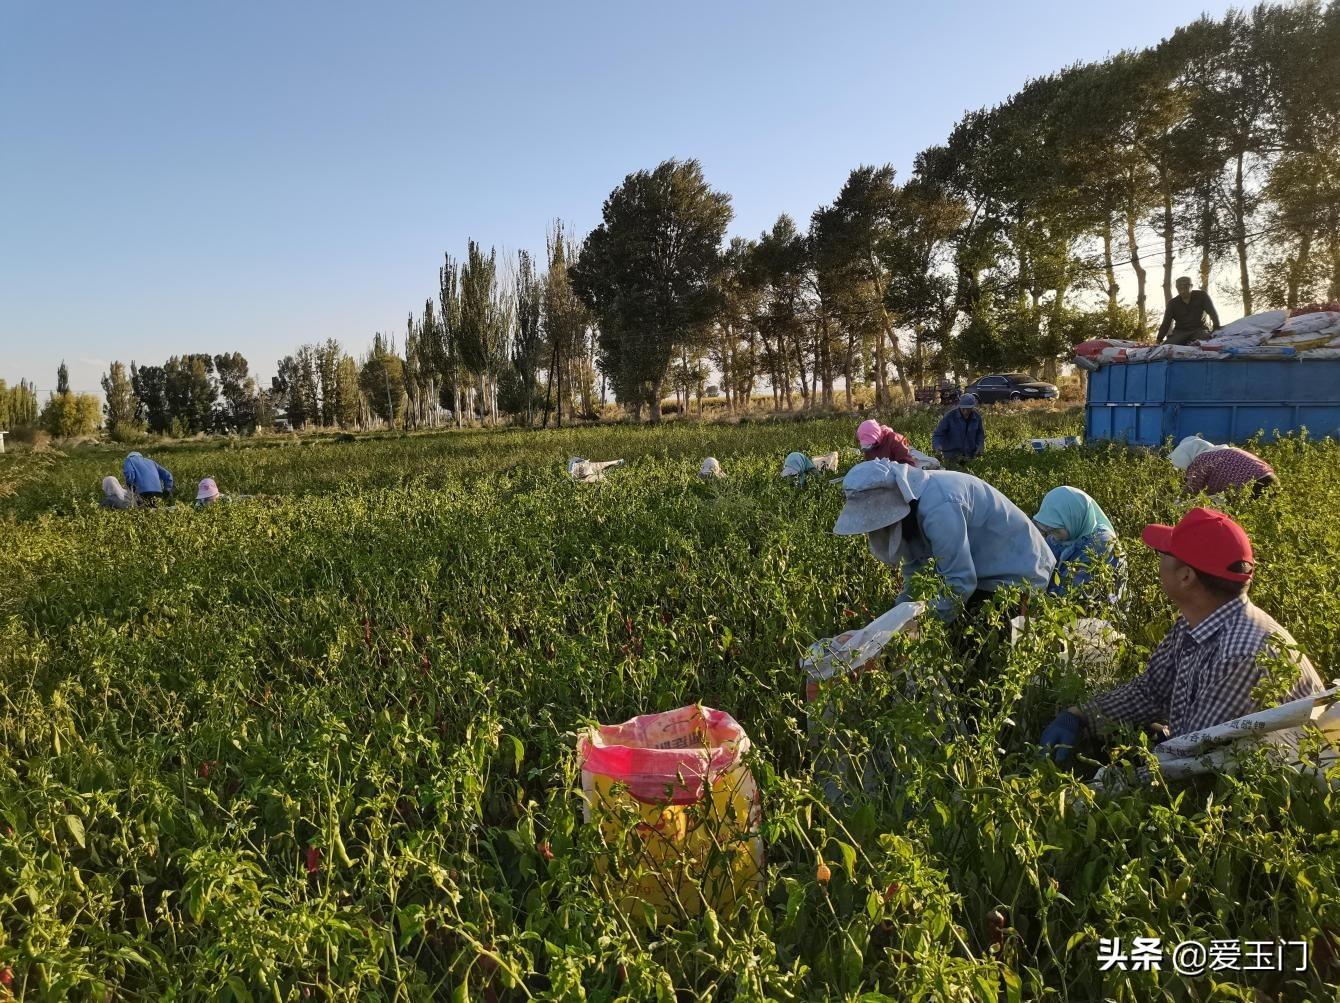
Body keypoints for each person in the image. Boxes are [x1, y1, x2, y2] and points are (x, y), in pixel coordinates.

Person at [1039, 508, 1323, 761]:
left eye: (1163, 555)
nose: (1158, 562)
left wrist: (1102, 790)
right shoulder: (1195, 624)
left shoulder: (1242, 654)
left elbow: (1192, 755)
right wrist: (1079, 715)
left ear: (1186, 577)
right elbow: (1150, 692)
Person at [833, 459, 1054, 620]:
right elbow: (914, 566)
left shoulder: (939, 507)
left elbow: (960, 581)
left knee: (981, 646)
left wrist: (923, 625)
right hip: (984, 569)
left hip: (1018, 574)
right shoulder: (912, 502)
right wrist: (895, 615)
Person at [1033, 486, 1127, 605]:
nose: (1052, 536)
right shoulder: (1063, 532)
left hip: (1093, 617)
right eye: (1047, 530)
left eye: (1054, 530)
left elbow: (1073, 595)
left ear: (1073, 518)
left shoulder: (1100, 542)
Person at [1170, 437, 1278, 498]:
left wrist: (1175, 504)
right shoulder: (1223, 451)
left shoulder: (1201, 460)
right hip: (1272, 479)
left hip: (1255, 486)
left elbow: (1191, 491)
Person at [1157, 276, 1221, 345]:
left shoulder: (1202, 296)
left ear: (1191, 286)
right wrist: (1159, 339)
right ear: (1176, 288)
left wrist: (1216, 327)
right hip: (1180, 332)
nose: (1182, 289)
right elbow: (1166, 323)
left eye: (1185, 286)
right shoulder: (1172, 303)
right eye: (1179, 287)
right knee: (1168, 345)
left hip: (1199, 329)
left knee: (1207, 342)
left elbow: (1212, 312)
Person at [931, 393, 985, 466]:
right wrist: (937, 446)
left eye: (968, 409)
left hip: (969, 455)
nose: (965, 411)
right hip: (952, 456)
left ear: (972, 408)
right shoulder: (950, 416)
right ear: (959, 407)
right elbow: (938, 434)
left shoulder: (977, 417)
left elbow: (980, 434)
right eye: (963, 409)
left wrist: (980, 446)